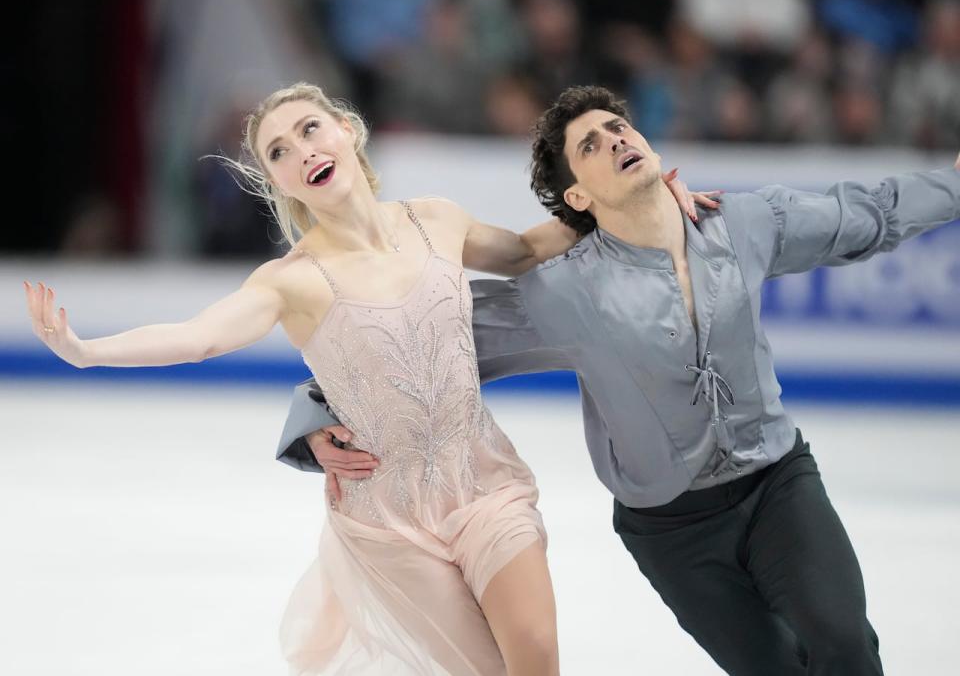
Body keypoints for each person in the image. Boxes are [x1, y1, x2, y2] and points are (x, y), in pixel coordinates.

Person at [23, 82, 709, 676]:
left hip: (483, 481)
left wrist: (633, 199)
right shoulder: (291, 280)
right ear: (278, 182)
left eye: (309, 129)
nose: (301, 151)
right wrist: (85, 351)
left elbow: (528, 249)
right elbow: (200, 335)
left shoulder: (434, 219)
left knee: (533, 652)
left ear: (346, 131)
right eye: (279, 153)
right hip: (389, 521)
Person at [283, 85, 960, 675]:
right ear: (576, 194)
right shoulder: (563, 294)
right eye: (589, 146)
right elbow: (417, 343)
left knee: (843, 644)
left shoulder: (744, 223)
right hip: (673, 533)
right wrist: (314, 413)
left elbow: (867, 213)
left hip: (778, 483)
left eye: (618, 128)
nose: (614, 141)